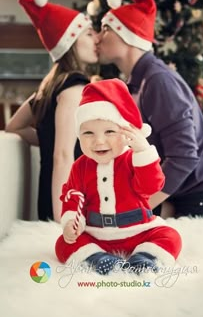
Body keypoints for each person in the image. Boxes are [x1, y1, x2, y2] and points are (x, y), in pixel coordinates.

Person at [96, 0, 203, 218]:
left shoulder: (157, 81)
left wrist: (138, 208)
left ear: (127, 36)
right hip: (182, 198)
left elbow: (184, 156)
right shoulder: (139, 82)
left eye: (105, 29)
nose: (98, 38)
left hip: (202, 201)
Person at [55, 78, 182, 275]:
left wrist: (143, 152)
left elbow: (151, 187)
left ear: (127, 133)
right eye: (88, 133)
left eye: (109, 131)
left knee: (170, 236)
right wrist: (71, 220)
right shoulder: (80, 166)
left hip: (138, 229)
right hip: (95, 233)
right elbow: (72, 195)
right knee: (63, 244)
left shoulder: (134, 159)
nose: (99, 141)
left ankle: (146, 258)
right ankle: (97, 259)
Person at [5, 0, 98, 222]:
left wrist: (50, 138)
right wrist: (62, 219)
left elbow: (14, 127)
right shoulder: (74, 87)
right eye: (88, 34)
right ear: (71, 43)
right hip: (69, 202)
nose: (96, 39)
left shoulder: (51, 85)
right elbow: (63, 156)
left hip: (56, 195)